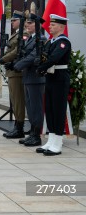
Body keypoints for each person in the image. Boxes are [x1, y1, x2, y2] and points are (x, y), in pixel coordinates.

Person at [35, 14, 71, 156]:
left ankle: (57, 144)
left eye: (53, 25)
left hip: (60, 79)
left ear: (61, 27)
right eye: (50, 24)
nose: (50, 26)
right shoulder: (51, 41)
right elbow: (44, 55)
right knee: (49, 109)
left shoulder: (63, 42)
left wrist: (41, 67)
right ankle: (51, 141)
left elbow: (54, 58)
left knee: (58, 110)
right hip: (50, 77)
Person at [14, 14, 46, 147]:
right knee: (30, 107)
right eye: (27, 23)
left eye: (30, 23)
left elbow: (33, 56)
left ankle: (36, 136)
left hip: (36, 78)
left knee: (36, 107)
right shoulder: (29, 39)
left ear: (38, 25)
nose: (27, 25)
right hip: (28, 77)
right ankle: (32, 133)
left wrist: (18, 65)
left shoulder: (41, 39)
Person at [0, 11, 28, 138]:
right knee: (14, 100)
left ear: (21, 21)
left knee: (18, 100)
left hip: (17, 72)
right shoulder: (16, 34)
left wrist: (3, 59)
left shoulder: (24, 34)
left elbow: (16, 51)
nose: (12, 22)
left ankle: (19, 128)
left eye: (14, 20)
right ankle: (17, 125)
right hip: (12, 71)